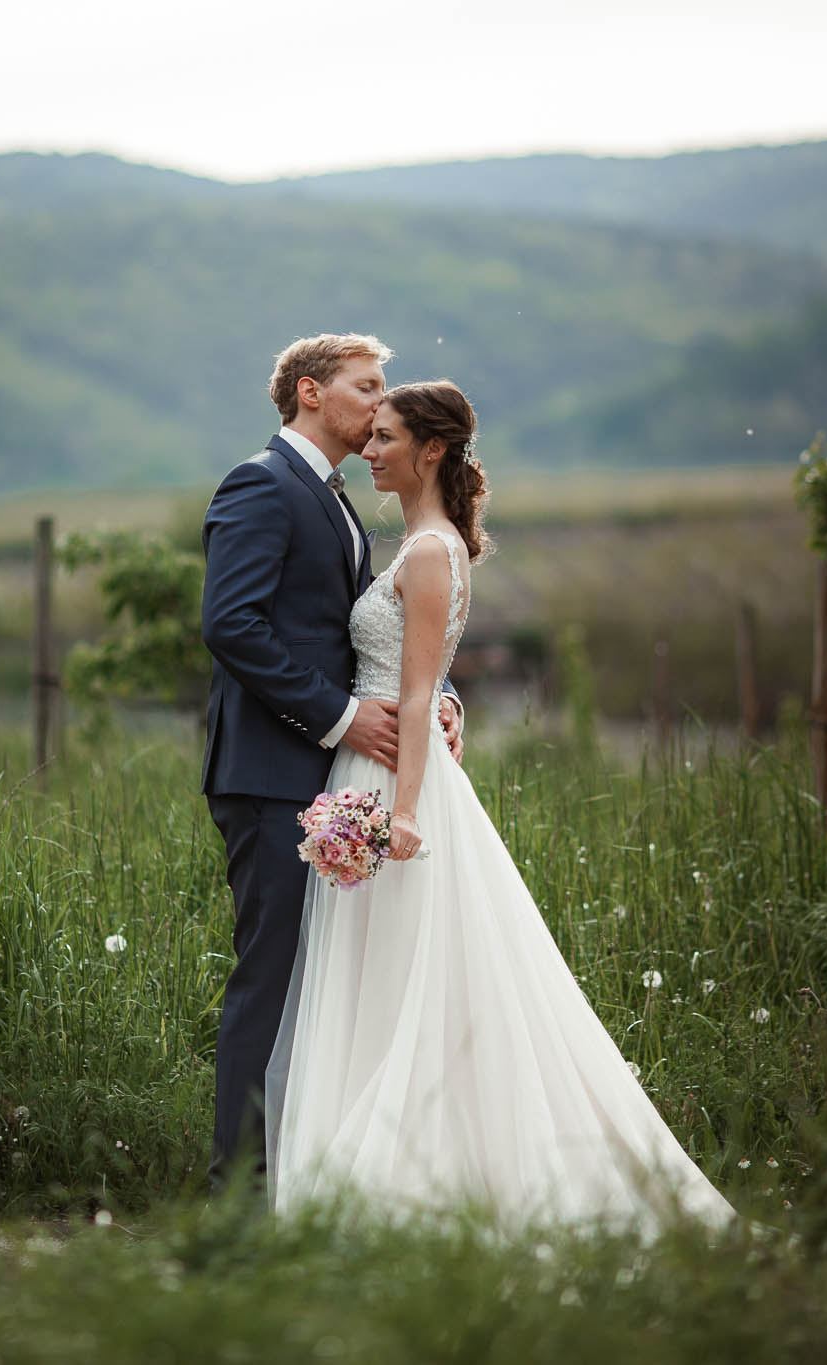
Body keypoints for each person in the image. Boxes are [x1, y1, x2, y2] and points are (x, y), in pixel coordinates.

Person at [264, 380, 738, 1235]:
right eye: (369, 437)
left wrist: (401, 812)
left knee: (411, 975)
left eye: (386, 437)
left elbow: (413, 694)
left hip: (391, 781)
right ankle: (376, 1171)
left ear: (432, 450)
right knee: (383, 975)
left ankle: (402, 1183)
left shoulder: (430, 552)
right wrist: (441, 709)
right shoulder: (419, 544)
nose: (369, 450)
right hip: (368, 768)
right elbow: (428, 681)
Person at [199, 334, 464, 1193]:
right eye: (366, 387)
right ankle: (238, 1193)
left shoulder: (341, 503)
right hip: (271, 773)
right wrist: (347, 718)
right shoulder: (261, 483)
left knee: (323, 990)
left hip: (330, 782)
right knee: (269, 982)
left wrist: (438, 702)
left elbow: (368, 641)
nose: (379, 404)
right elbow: (232, 625)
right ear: (311, 392)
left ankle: (310, 1179)